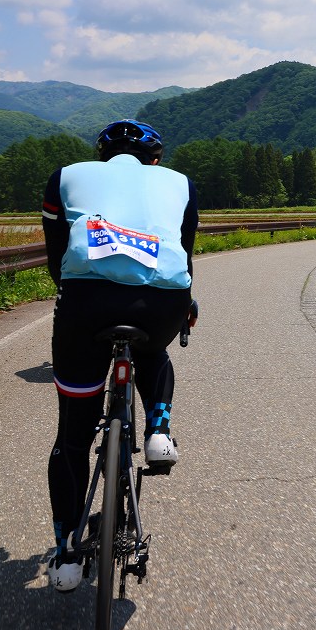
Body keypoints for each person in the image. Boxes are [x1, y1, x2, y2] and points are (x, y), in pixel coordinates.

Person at [40, 119, 198, 594]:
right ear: (156, 159)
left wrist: (74, 299)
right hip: (162, 303)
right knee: (155, 350)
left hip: (85, 303)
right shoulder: (180, 184)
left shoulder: (66, 175)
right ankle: (159, 431)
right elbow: (183, 253)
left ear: (100, 155)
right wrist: (185, 305)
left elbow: (56, 254)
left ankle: (67, 553)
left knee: (71, 436)